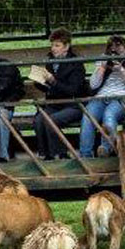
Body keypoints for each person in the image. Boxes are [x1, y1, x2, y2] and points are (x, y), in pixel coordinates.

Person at [79, 35, 125, 158]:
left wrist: (121, 70)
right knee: (88, 115)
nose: (115, 49)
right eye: (111, 46)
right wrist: (102, 68)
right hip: (101, 97)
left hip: (123, 98)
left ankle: (106, 149)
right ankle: (85, 155)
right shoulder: (103, 59)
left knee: (109, 114)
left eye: (118, 45)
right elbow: (93, 85)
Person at [30, 28, 88, 160]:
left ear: (66, 46)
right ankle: (47, 155)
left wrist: (53, 81)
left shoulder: (76, 64)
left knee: (51, 120)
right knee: (39, 120)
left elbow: (72, 90)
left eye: (57, 45)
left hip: (73, 104)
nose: (53, 48)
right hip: (54, 103)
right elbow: (48, 89)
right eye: (52, 45)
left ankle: (62, 154)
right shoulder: (50, 62)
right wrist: (39, 81)